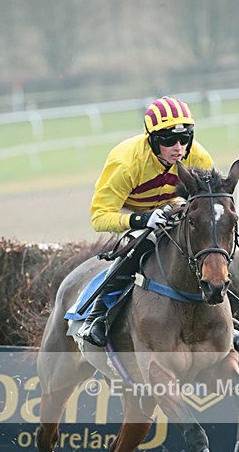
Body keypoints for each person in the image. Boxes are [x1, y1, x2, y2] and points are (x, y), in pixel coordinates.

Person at [78, 96, 214, 347]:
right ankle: (97, 316)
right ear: (152, 140)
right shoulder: (126, 163)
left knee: (211, 243)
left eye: (184, 139)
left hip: (174, 210)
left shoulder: (198, 157)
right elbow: (99, 217)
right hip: (133, 216)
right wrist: (142, 220)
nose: (178, 148)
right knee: (143, 243)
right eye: (168, 140)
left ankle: (227, 316)